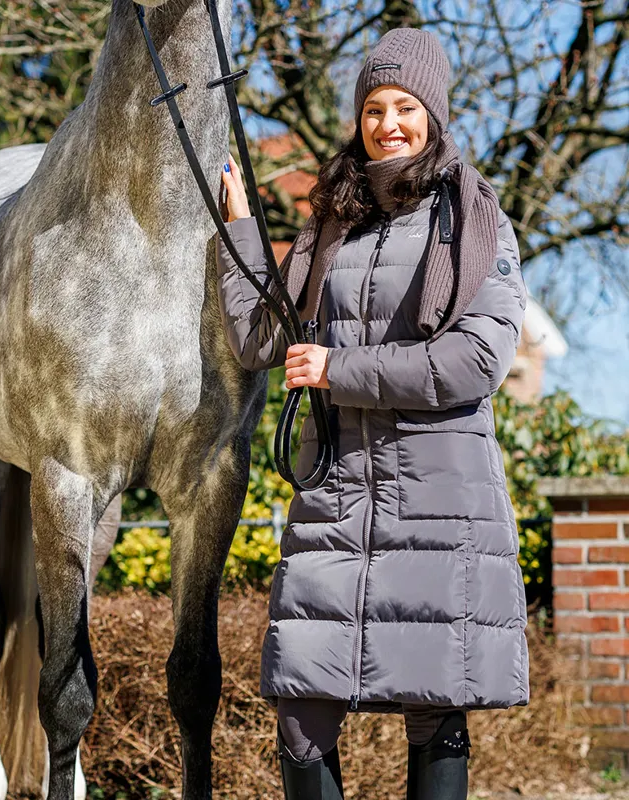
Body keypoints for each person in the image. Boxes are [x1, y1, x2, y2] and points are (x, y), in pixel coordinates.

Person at [215, 27, 530, 800]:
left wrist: (338, 370)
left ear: (434, 113)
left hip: (439, 500)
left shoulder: (474, 218)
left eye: (405, 107)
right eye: (374, 109)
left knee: (434, 706)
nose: (389, 124)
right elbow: (261, 338)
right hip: (335, 495)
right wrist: (240, 229)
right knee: (300, 707)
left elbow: (475, 361)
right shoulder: (332, 220)